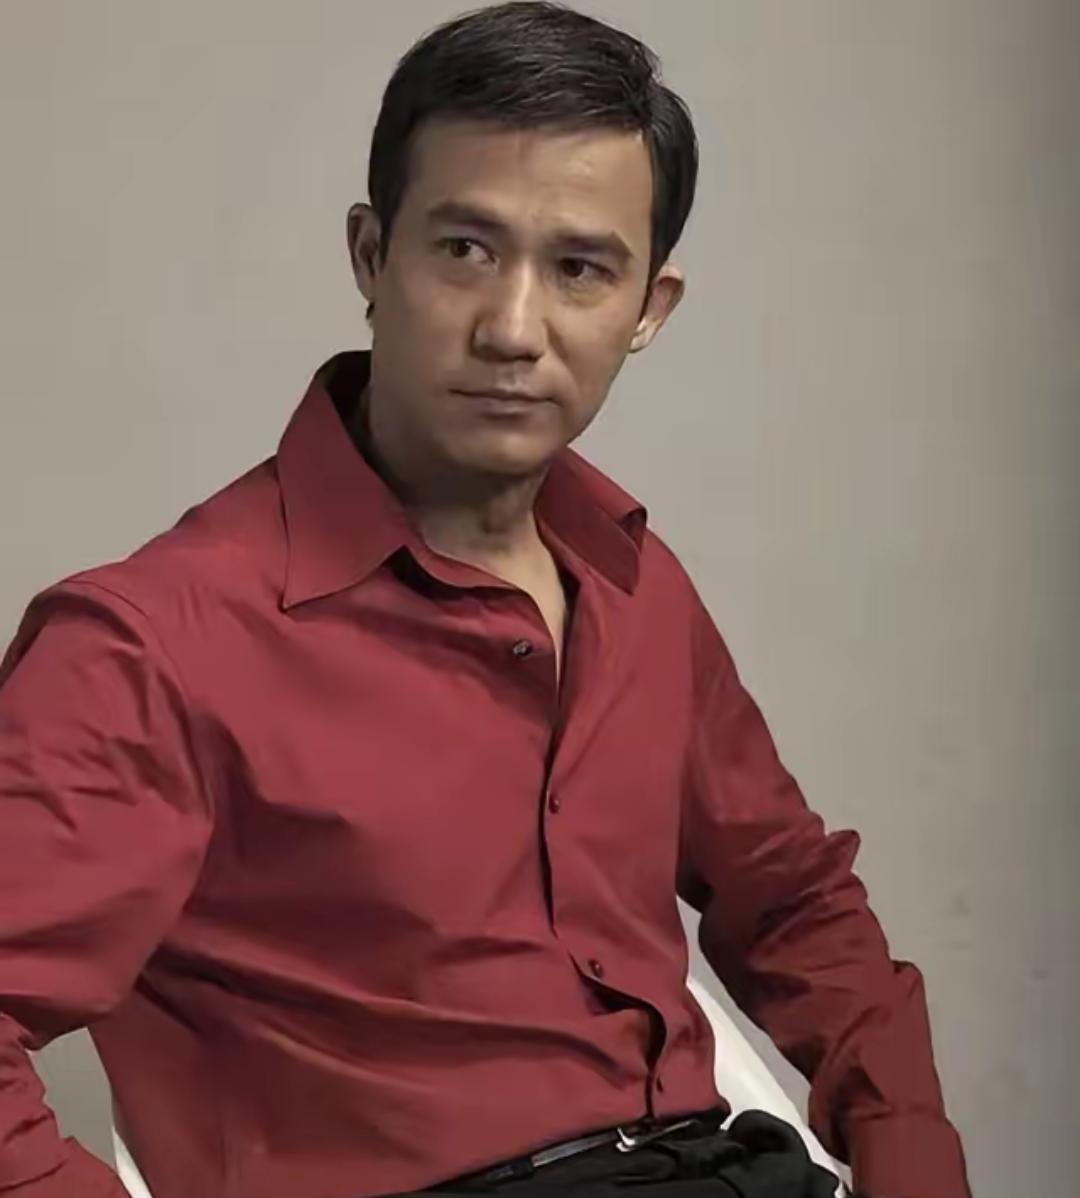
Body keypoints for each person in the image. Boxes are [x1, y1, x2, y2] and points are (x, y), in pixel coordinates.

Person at [0, 4, 970, 1197]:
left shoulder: (636, 584)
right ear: (372, 257)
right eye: (465, 249)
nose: (514, 329)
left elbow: (794, 903)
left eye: (580, 270)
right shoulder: (146, 646)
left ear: (649, 309)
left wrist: (915, 1161)